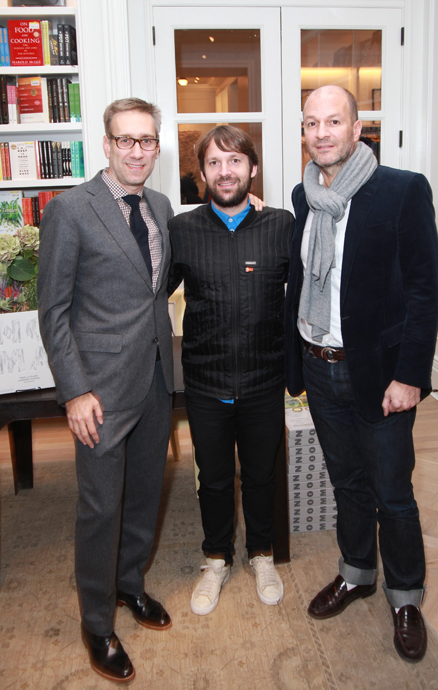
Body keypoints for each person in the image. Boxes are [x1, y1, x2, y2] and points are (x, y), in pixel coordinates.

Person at [285, 85, 438, 662]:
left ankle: (405, 597)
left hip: (380, 376)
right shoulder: (304, 197)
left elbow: (425, 291)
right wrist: (293, 361)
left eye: (333, 121)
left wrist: (410, 375)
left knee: (392, 493)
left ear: (356, 128)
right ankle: (357, 574)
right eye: (311, 123)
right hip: (319, 366)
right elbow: (298, 285)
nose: (321, 133)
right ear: (303, 132)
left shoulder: (401, 190)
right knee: (345, 484)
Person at [38, 98, 174, 683]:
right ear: (107, 145)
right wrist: (73, 392)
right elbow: (54, 310)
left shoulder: (163, 206)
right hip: (98, 391)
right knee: (100, 507)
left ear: (157, 146)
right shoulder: (71, 210)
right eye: (127, 140)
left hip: (156, 377)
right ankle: (97, 621)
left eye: (147, 140)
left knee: (145, 494)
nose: (138, 150)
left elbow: (157, 290)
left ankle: (130, 585)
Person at [169, 125, 294, 615]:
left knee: (261, 476)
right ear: (202, 174)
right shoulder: (183, 230)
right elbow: (151, 291)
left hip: (266, 379)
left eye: (236, 161)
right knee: (215, 479)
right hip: (206, 380)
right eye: (215, 163)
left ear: (253, 169)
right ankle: (216, 558)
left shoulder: (281, 225)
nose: (226, 171)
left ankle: (261, 554)